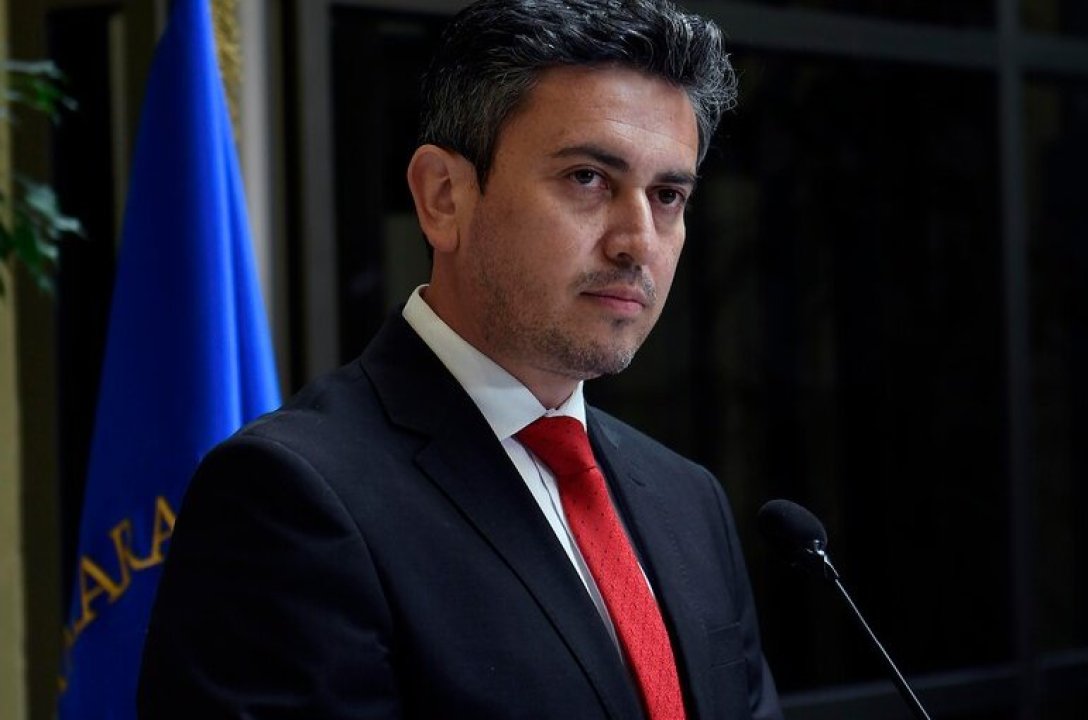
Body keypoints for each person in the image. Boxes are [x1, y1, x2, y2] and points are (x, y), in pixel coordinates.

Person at [137, 0, 781, 717]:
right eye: (587, 178)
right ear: (443, 196)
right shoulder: (288, 497)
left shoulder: (689, 498)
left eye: (667, 195)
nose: (638, 240)